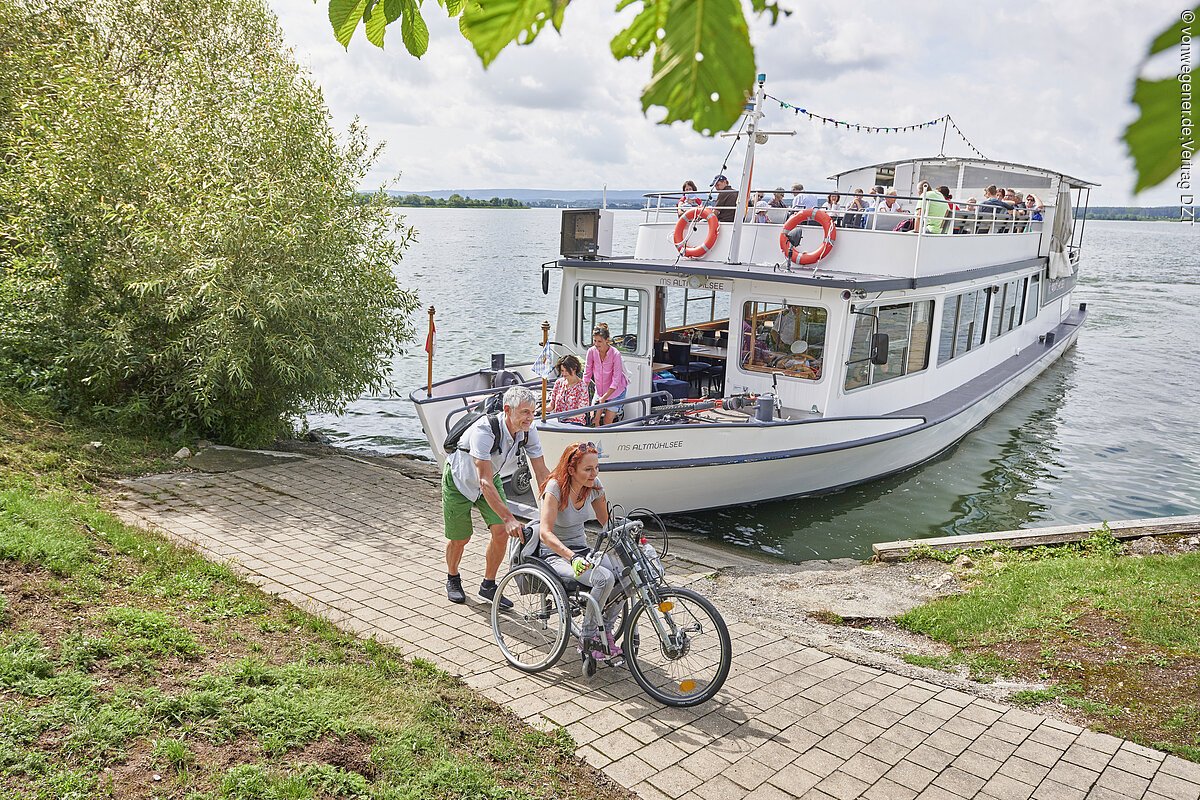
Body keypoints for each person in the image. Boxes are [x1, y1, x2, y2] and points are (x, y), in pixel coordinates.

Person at [443, 384, 550, 605]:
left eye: (533, 411)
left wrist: (554, 505)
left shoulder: (529, 431)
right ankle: (452, 577)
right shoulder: (485, 430)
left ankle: (488, 586)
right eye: (524, 412)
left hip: (492, 479)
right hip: (460, 480)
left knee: (501, 533)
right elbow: (483, 482)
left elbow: (541, 472)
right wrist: (509, 517)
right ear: (508, 409)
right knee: (461, 538)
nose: (530, 418)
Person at [537, 442, 624, 661]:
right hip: (555, 554)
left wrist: (633, 541)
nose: (593, 473)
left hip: (582, 549)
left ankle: (605, 629)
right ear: (571, 470)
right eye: (588, 469)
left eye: (596, 468)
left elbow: (607, 524)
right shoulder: (555, 488)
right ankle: (588, 638)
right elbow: (545, 533)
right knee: (603, 578)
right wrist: (572, 557)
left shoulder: (593, 485)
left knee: (625, 573)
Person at [583, 323, 628, 427]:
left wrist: (604, 398)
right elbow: (587, 373)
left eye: (599, 341)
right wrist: (582, 389)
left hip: (616, 392)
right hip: (600, 390)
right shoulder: (591, 351)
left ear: (607, 340)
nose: (596, 344)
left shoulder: (616, 354)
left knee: (607, 422)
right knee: (594, 419)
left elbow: (616, 380)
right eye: (594, 341)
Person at [548, 354, 590, 424]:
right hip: (557, 421)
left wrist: (563, 416)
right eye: (562, 370)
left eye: (566, 370)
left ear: (574, 369)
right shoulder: (558, 383)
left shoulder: (582, 387)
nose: (564, 373)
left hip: (574, 422)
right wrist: (541, 410)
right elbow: (552, 405)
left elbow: (581, 412)